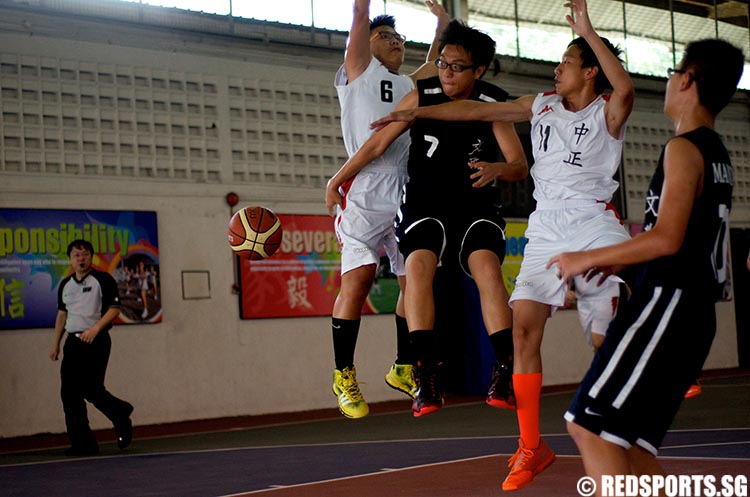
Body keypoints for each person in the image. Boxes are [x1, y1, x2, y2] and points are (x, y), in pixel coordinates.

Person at [371, 0, 634, 489]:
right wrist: (412, 114)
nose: (555, 70)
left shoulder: (609, 110)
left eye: (566, 63)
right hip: (545, 227)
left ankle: (643, 384)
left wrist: (589, 32)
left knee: (606, 332)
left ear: (591, 71)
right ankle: (531, 446)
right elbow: (475, 108)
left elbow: (624, 85)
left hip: (593, 221)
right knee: (523, 334)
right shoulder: (542, 104)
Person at [548, 38, 744, 495]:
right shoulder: (718, 155)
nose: (670, 81)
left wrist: (590, 255)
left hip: (668, 306)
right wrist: (621, 266)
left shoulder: (683, 149)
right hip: (691, 311)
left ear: (688, 81)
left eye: (676, 71)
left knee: (588, 425)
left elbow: (667, 238)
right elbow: (687, 241)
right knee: (630, 447)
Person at [329, 19, 528, 418]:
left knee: (488, 270)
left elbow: (519, 165)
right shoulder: (421, 93)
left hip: (474, 203)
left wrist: (497, 168)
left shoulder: (493, 102)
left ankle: (505, 371)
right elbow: (376, 145)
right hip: (425, 200)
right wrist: (337, 179)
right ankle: (424, 375)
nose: (447, 72)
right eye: (443, 63)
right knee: (418, 269)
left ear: (479, 71)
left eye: (457, 66)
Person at [328, 0, 449, 419]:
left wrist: (442, 24)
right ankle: (343, 373)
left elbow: (438, 62)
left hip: (406, 184)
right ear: (366, 43)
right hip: (365, 181)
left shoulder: (409, 85)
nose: (396, 42)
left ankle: (402, 366)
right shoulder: (359, 70)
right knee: (358, 281)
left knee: (414, 280)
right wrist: (364, 12)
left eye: (399, 37)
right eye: (387, 36)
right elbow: (359, 18)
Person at [49, 239, 134, 456]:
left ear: (91, 257)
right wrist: (56, 344)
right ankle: (83, 443)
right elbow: (62, 315)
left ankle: (120, 413)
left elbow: (114, 309)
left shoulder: (102, 280)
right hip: (73, 342)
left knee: (91, 388)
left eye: (85, 254)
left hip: (97, 340)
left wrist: (95, 329)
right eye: (76, 255)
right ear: (70, 259)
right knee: (69, 393)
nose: (81, 258)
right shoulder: (65, 285)